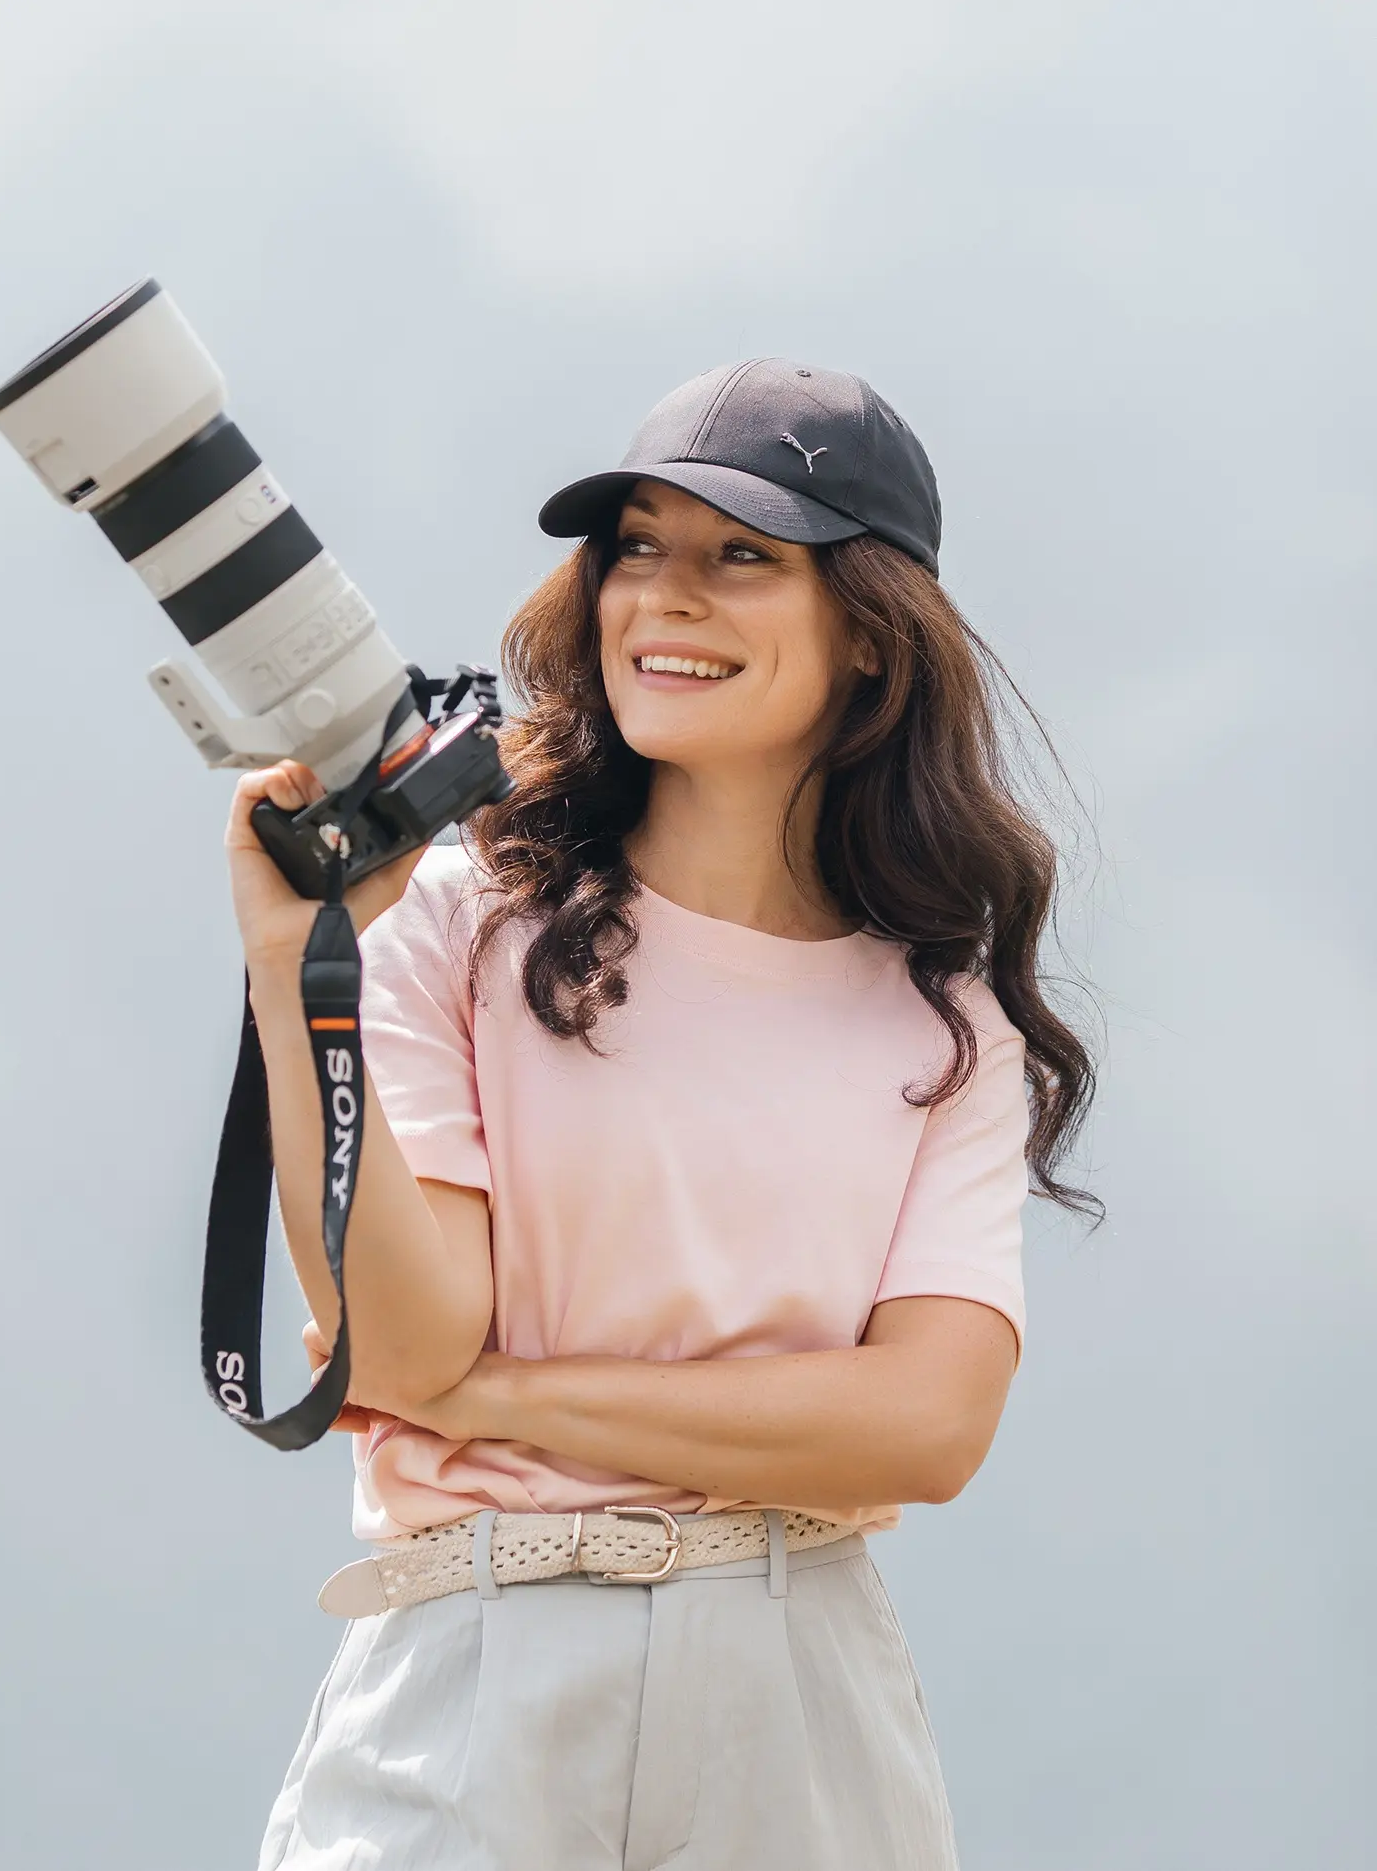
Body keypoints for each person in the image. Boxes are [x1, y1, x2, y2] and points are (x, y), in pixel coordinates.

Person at [227, 360, 1096, 1870]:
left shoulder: (951, 1027)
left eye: (741, 556)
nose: (666, 598)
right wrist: (293, 970)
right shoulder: (459, 920)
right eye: (638, 547)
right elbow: (411, 1340)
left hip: (795, 1695)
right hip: (472, 1674)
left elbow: (926, 1421)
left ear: (873, 641)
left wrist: (500, 1399)